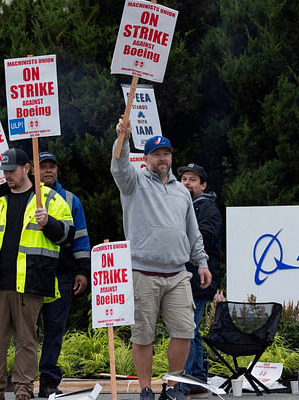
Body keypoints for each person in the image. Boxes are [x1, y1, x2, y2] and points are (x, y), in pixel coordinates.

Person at [110, 121, 211, 400]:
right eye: (156, 154)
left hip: (178, 273)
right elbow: (118, 166)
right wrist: (123, 138)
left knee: (184, 331)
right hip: (143, 271)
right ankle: (145, 390)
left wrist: (201, 262)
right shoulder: (133, 183)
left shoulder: (182, 191)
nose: (162, 158)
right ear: (146, 159)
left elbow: (193, 230)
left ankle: (174, 386)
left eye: (166, 153)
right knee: (142, 335)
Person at [0, 148, 74, 400]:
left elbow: (68, 235)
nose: (7, 176)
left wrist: (49, 222)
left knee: (26, 340)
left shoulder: (48, 198)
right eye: (4, 171)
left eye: (12, 171)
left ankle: (23, 390)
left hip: (30, 281)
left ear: (27, 169)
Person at [37, 152, 91, 397]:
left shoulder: (70, 199)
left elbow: (81, 238)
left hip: (61, 274)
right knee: (27, 330)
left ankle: (48, 382)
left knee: (55, 329)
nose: (48, 171)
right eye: (43, 167)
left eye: (52, 167)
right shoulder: (26, 196)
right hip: (31, 275)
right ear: (33, 170)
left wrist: (82, 271)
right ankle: (24, 380)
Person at [177, 163, 222, 396]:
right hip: (187, 279)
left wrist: (178, 235)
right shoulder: (184, 206)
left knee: (188, 330)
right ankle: (196, 378)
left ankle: (189, 380)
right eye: (184, 178)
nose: (187, 183)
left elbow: (203, 238)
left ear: (203, 185)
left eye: (192, 179)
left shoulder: (207, 208)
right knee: (190, 329)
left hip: (198, 280)